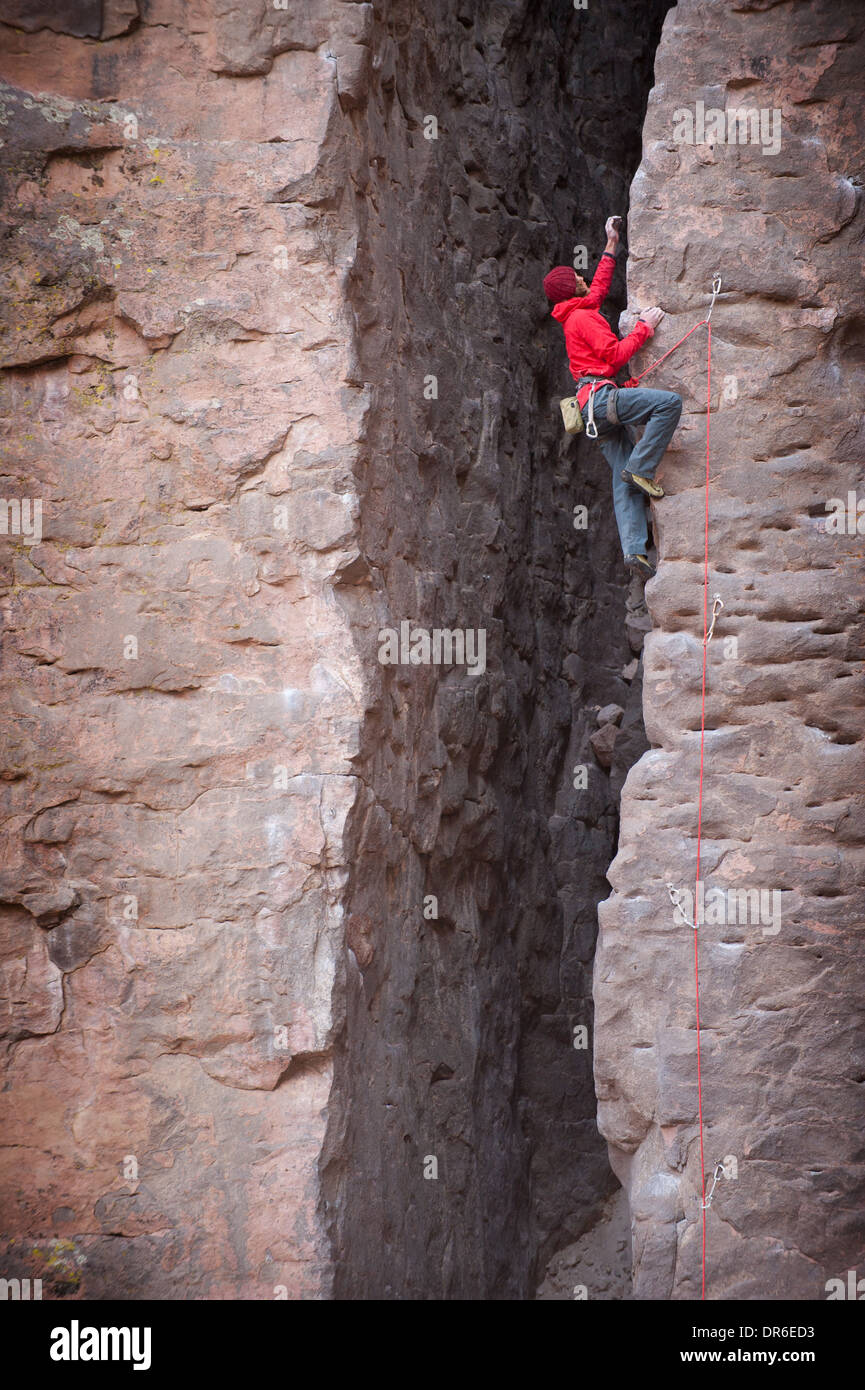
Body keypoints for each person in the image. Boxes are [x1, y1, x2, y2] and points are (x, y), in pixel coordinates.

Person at [544, 216, 682, 580]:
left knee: (622, 481)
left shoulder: (576, 312)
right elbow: (616, 356)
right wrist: (644, 328)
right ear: (571, 291)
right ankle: (643, 467)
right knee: (668, 405)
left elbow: (598, 289)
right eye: (576, 280)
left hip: (593, 413)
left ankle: (634, 550)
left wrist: (611, 243)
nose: (582, 278)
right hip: (603, 401)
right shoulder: (583, 321)